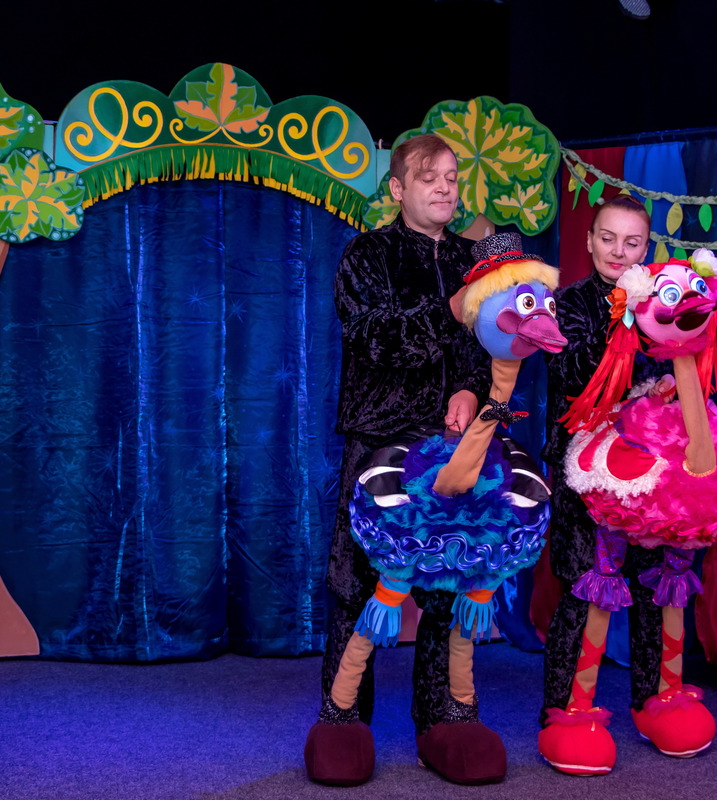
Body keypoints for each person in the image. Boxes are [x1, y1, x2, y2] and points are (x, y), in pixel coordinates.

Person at [304, 133, 495, 786]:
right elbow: (380, 342)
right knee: (357, 582)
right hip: (380, 440)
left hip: (452, 449)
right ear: (397, 188)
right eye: (428, 177)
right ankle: (342, 717)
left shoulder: (472, 259)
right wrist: (450, 309)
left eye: (451, 177)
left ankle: (443, 718)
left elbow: (487, 344)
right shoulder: (367, 256)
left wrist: (469, 388)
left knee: (447, 583)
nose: (444, 188)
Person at [538, 194, 667, 775]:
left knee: (653, 585)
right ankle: (562, 713)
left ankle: (653, 702)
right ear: (589, 240)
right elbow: (574, 377)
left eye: (632, 242)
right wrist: (623, 314)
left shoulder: (664, 305)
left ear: (647, 248)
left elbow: (683, 374)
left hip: (648, 471)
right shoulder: (565, 306)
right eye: (608, 238)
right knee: (583, 586)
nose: (618, 251)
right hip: (583, 471)